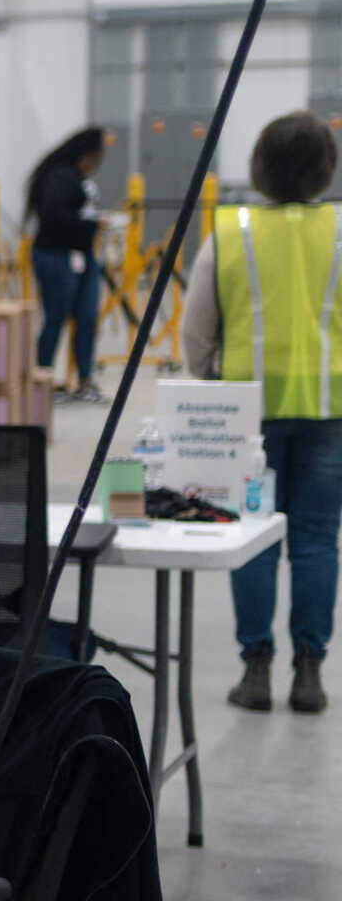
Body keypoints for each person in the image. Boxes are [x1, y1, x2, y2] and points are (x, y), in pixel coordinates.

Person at [181, 110, 342, 716]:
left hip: (246, 412)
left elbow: (196, 333)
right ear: (327, 169)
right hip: (330, 408)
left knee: (250, 540)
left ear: (260, 167)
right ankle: (309, 672)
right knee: (316, 539)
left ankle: (255, 670)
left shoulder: (232, 233)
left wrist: (208, 375)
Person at [28, 127, 109, 402]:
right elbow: (54, 216)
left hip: (82, 257)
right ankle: (42, 380)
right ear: (85, 154)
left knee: (86, 318)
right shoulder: (60, 177)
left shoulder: (78, 179)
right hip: (55, 256)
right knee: (56, 318)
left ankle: (85, 381)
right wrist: (92, 224)